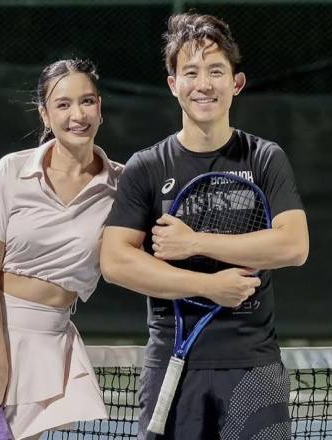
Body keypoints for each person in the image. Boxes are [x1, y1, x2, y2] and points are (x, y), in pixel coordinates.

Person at [100, 12, 309, 440]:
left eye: (216, 71)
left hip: (253, 365)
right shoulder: (147, 166)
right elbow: (115, 262)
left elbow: (293, 246)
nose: (204, 84)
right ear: (173, 84)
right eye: (191, 72)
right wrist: (208, 286)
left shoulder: (264, 158)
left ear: (236, 82)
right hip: (172, 363)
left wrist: (195, 242)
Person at [0, 59, 123, 440]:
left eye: (87, 101)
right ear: (45, 115)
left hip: (52, 333)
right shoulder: (11, 171)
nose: (77, 115)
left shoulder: (122, 185)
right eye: (63, 104)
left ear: (100, 108)